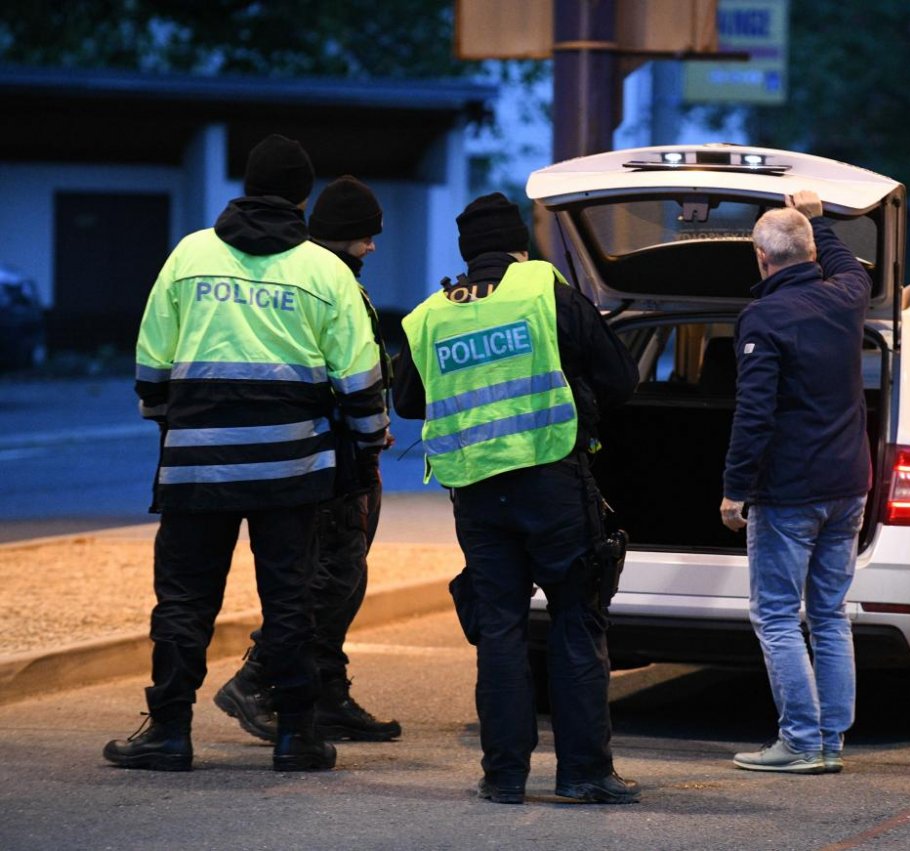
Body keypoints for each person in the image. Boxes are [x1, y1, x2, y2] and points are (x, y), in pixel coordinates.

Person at [104, 135, 390, 773]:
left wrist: (172, 420)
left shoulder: (189, 255)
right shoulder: (323, 271)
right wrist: (368, 440)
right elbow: (358, 379)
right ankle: (295, 737)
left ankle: (169, 732)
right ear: (303, 199)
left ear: (247, 185)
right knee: (289, 598)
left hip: (196, 463)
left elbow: (151, 363)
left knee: (184, 598)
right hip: (292, 469)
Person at [391, 193, 640, 804]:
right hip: (551, 479)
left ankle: (504, 776)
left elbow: (409, 402)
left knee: (499, 627)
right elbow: (620, 378)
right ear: (518, 246)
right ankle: (583, 774)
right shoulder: (543, 290)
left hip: (477, 491)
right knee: (576, 619)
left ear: (466, 254)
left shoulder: (430, 315)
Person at [213, 175, 401, 744]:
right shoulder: (327, 280)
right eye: (366, 236)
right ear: (343, 235)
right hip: (333, 456)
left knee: (343, 575)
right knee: (329, 579)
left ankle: (326, 693)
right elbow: (345, 370)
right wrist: (369, 431)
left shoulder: (318, 275)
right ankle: (256, 678)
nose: (372, 246)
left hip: (341, 449)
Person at [719, 190, 872, 775]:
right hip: (848, 485)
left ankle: (801, 742)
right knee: (829, 614)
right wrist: (818, 220)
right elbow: (843, 262)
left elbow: (754, 413)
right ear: (809, 250)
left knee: (778, 616)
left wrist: (735, 488)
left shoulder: (764, 317)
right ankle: (829, 742)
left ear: (761, 258)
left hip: (790, 492)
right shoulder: (848, 296)